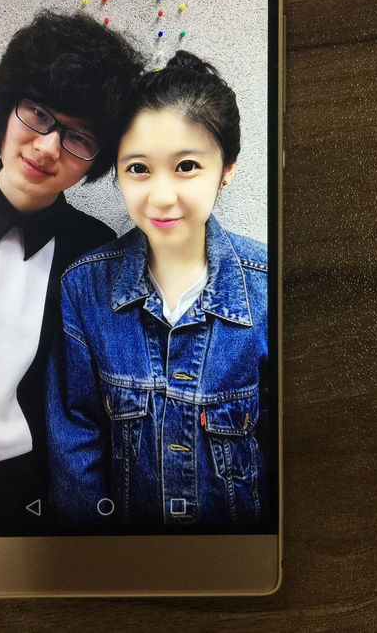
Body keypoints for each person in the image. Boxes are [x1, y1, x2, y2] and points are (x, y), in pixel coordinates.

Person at [0, 10, 144, 536]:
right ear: (8, 106)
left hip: (30, 497)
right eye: (38, 114)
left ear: (97, 159)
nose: (48, 147)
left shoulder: (95, 253)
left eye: (79, 137)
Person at [47, 51, 269, 530]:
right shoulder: (84, 288)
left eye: (187, 166)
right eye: (138, 169)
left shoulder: (270, 286)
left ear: (227, 168)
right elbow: (76, 441)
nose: (162, 197)